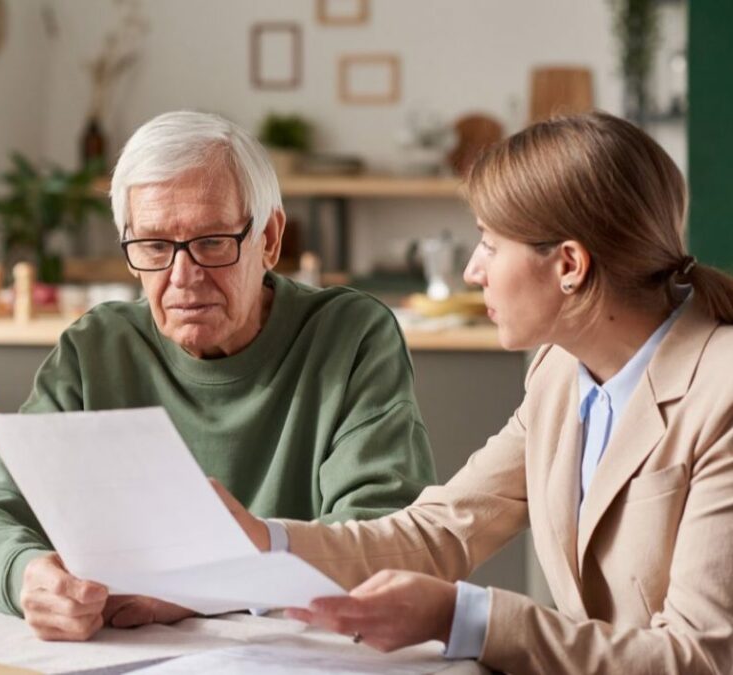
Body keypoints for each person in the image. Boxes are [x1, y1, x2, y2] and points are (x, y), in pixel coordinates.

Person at [216, 111, 733, 674]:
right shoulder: (559, 371)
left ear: (569, 264)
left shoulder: (721, 393)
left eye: (488, 244)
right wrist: (265, 542)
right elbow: (444, 529)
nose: (470, 270)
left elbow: (701, 658)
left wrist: (469, 619)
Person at [0, 110, 436, 641]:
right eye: (155, 247)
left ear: (269, 238)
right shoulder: (98, 348)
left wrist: (204, 592)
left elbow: (383, 541)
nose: (184, 278)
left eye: (211, 242)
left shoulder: (351, 336)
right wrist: (25, 576)